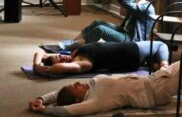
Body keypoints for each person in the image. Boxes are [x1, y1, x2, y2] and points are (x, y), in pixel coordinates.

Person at [28, 61, 182, 117]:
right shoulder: (95, 101)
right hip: (154, 88)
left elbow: (58, 95)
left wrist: (41, 98)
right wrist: (46, 111)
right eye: (75, 88)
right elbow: (68, 110)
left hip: (153, 85)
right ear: (78, 99)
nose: (77, 83)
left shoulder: (90, 87)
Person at [58, 0, 155, 51]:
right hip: (124, 31)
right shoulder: (136, 4)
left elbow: (126, 3)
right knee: (98, 22)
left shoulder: (145, 7)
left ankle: (76, 46)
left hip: (131, 39)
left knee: (101, 29)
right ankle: (74, 41)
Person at [33, 41, 169, 76]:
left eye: (59, 56)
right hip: (133, 52)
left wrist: (36, 64)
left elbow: (39, 52)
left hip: (133, 51)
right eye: (61, 59)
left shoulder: (74, 54)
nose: (62, 57)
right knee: (160, 44)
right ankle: (164, 66)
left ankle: (154, 64)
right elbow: (61, 68)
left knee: (156, 52)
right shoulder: (82, 63)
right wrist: (47, 69)